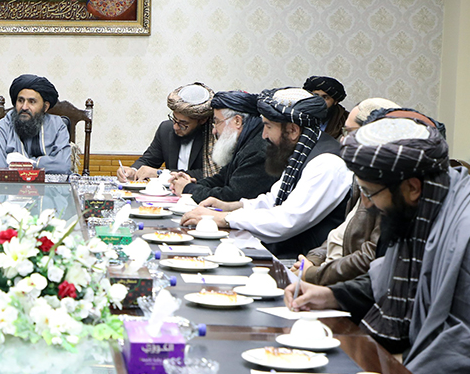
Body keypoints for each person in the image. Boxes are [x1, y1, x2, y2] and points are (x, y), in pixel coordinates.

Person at [285, 116, 470, 374]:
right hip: (419, 371)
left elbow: (468, 344)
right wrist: (332, 296)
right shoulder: (429, 201)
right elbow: (394, 278)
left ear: (412, 186)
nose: (366, 203)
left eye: (369, 192)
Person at [180, 87, 352, 257]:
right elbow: (273, 200)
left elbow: (286, 221)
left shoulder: (327, 163)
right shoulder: (302, 150)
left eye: (268, 126)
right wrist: (231, 206)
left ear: (293, 130)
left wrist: (224, 218)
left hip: (300, 262)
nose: (264, 135)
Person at [291, 97, 402, 286]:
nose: (342, 140)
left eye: (350, 132)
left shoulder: (391, 188)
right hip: (326, 275)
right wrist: (312, 260)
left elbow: (370, 257)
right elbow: (341, 233)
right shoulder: (360, 177)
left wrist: (314, 274)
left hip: (344, 286)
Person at [169, 91, 277, 202]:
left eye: (217, 122)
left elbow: (231, 197)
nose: (214, 131)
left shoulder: (258, 151)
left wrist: (188, 189)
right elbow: (221, 179)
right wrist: (193, 184)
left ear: (237, 121)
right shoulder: (246, 141)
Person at [118, 83, 218, 182]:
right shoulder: (166, 129)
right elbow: (149, 160)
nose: (175, 127)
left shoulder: (215, 136)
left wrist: (161, 174)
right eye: (174, 119)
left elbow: (209, 174)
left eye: (183, 124)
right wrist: (133, 170)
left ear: (202, 120)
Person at [0, 74, 71, 173]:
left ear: (45, 107)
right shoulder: (3, 127)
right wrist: (46, 164)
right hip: (12, 183)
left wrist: (25, 163)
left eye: (32, 102)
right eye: (20, 101)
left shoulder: (57, 126)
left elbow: (63, 166)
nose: (24, 107)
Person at [303, 75, 349, 140]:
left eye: (325, 97)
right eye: (315, 96)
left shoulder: (346, 121)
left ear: (335, 101)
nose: (319, 101)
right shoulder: (298, 115)